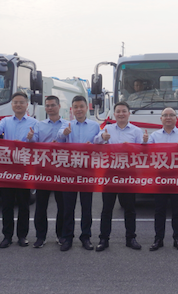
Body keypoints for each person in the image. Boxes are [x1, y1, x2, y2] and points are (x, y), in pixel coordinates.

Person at [94, 101, 146, 251]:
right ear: (114, 114)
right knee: (107, 208)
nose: (121, 114)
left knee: (129, 208)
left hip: (129, 173)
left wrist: (144, 143)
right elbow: (96, 142)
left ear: (129, 113)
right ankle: (104, 239)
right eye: (118, 111)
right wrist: (103, 137)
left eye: (124, 111)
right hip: (110, 172)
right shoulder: (108, 128)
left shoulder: (136, 131)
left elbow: (143, 152)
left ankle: (131, 238)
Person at [0, 91, 37, 248]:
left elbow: (37, 141)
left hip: (24, 167)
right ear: (12, 105)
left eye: (21, 102)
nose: (18, 105)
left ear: (26, 105)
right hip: (8, 168)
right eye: (15, 102)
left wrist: (30, 138)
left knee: (24, 204)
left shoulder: (33, 122)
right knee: (7, 204)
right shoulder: (6, 121)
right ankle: (7, 236)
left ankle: (22, 236)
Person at [56, 95, 101, 251]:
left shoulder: (95, 126)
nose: (79, 109)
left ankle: (85, 237)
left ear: (87, 108)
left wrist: (95, 144)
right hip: (69, 171)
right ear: (72, 109)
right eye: (76, 107)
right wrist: (64, 133)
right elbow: (58, 139)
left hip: (87, 171)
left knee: (86, 206)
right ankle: (67, 237)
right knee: (68, 207)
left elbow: (101, 142)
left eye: (81, 106)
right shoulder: (66, 124)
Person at [29, 96, 68, 249]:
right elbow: (34, 142)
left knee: (62, 205)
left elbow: (72, 143)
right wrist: (30, 138)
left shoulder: (67, 124)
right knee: (41, 205)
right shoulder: (39, 125)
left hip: (61, 168)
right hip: (43, 169)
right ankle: (40, 236)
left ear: (59, 106)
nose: (50, 108)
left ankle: (61, 235)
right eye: (47, 106)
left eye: (52, 105)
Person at [148, 107, 178, 251]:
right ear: (161, 119)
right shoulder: (154, 136)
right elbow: (147, 155)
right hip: (160, 178)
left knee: (177, 210)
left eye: (171, 115)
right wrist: (144, 143)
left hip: (177, 178)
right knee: (159, 210)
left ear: (176, 118)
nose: (168, 117)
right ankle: (158, 239)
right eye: (165, 115)